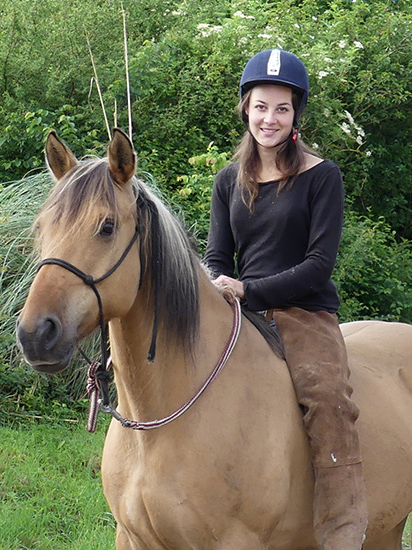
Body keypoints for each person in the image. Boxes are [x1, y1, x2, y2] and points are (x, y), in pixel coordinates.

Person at [204, 48, 368, 549]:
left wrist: (248, 288)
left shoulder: (322, 176)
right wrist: (218, 286)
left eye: (281, 108)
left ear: (296, 113)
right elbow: (217, 255)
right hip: (241, 309)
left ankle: (342, 527)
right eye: (260, 107)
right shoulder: (228, 179)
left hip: (305, 312)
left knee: (327, 398)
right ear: (245, 109)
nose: (269, 119)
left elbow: (319, 264)